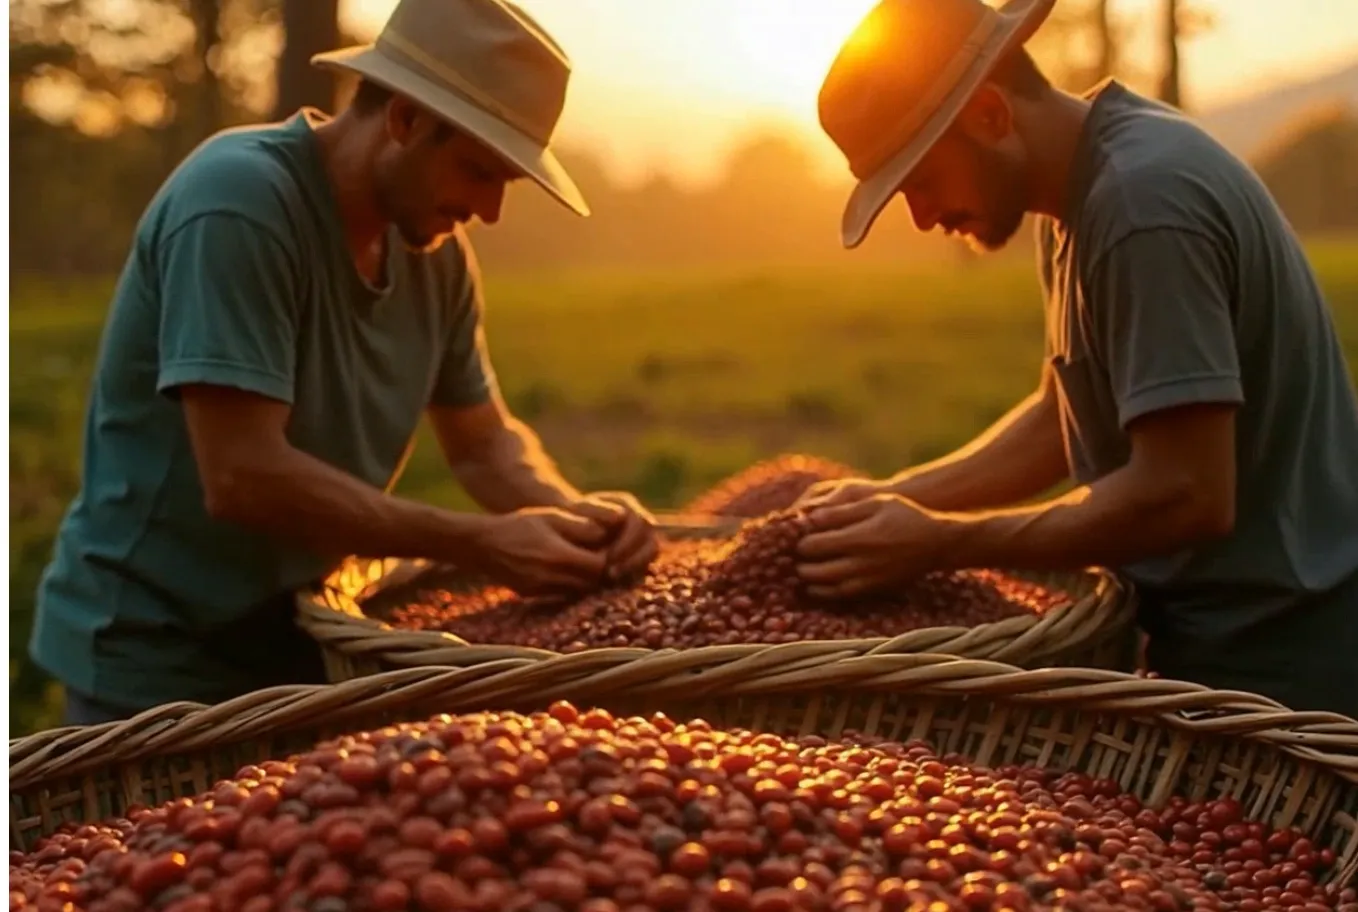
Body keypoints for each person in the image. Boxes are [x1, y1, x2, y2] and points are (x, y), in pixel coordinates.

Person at [29, 0, 660, 727]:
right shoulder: (240, 203)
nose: (489, 212)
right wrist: (478, 542)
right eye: (481, 173)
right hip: (155, 655)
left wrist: (575, 515)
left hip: (307, 639)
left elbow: (485, 445)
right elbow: (242, 476)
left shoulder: (439, 259)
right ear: (404, 120)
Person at [795, 0, 1358, 716]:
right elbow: (1065, 411)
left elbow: (1186, 491)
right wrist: (903, 496)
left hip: (1292, 672)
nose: (924, 219)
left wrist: (942, 544)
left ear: (993, 117)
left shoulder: (1142, 205)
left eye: (921, 183)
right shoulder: (1073, 196)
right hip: (1218, 648)